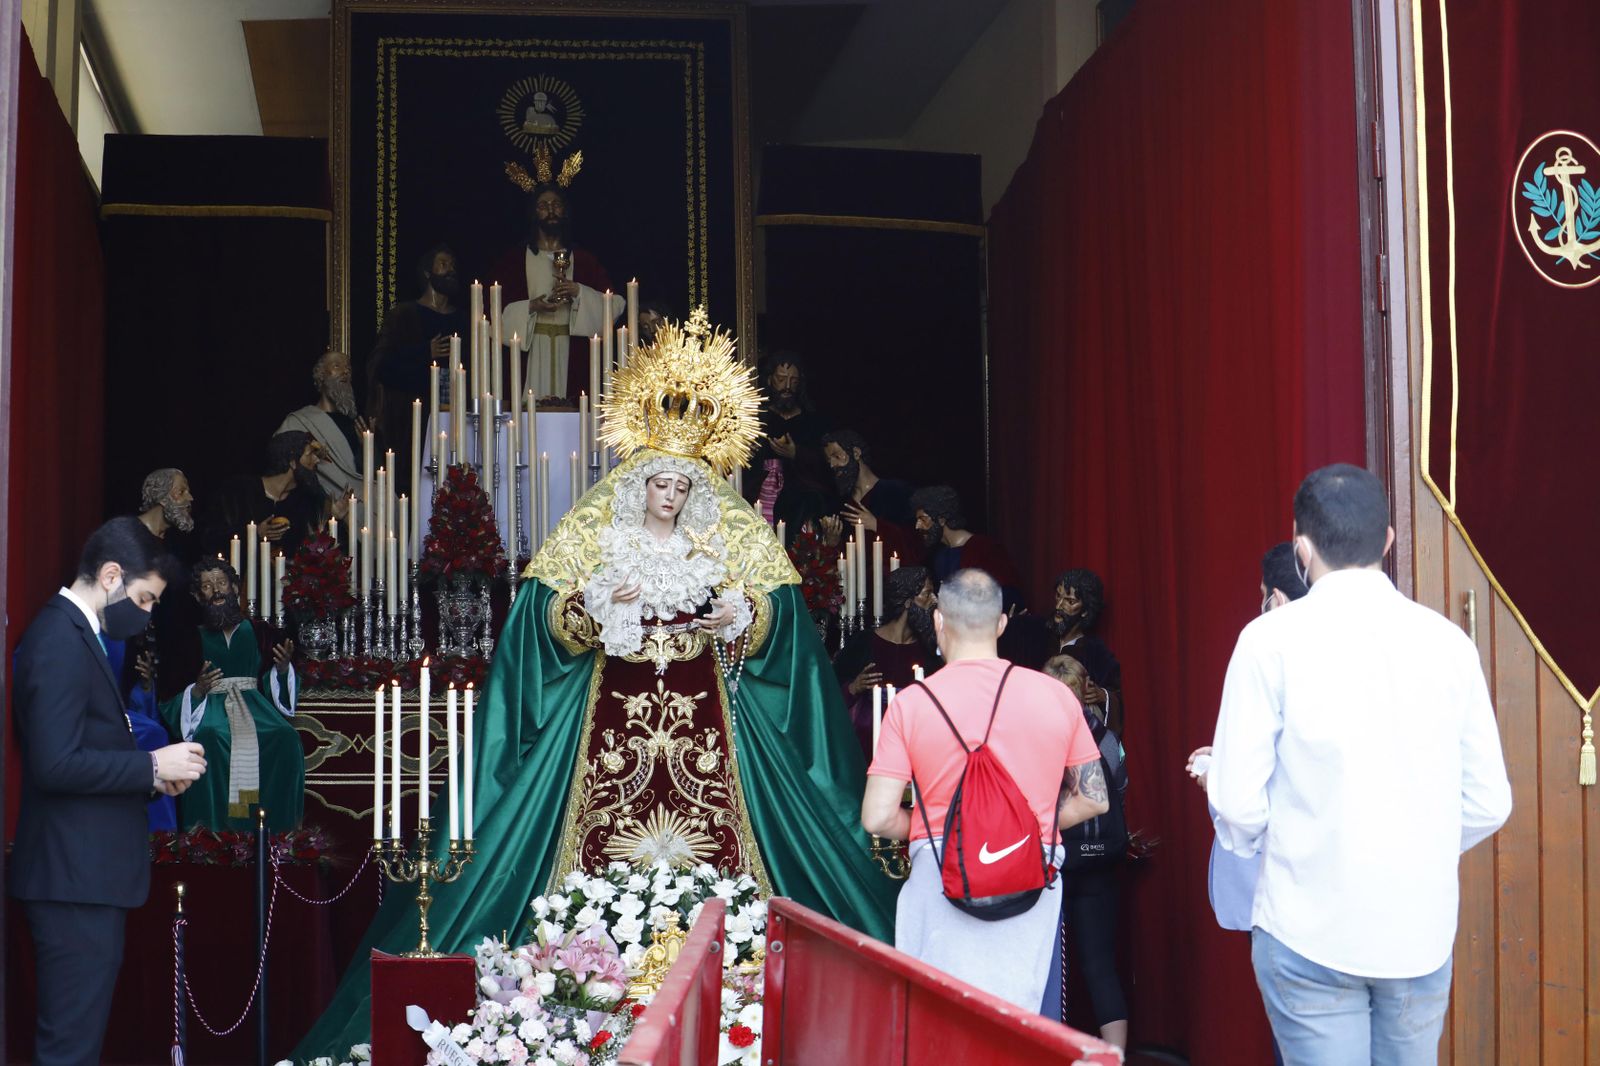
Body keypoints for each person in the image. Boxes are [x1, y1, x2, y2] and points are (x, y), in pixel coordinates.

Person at [294, 307, 897, 1059]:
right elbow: (539, 618)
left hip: (712, 718)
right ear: (642, 479)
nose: (672, 494)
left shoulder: (732, 529)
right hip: (606, 714)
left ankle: (732, 967)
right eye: (662, 482)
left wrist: (740, 622)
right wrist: (589, 611)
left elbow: (781, 619)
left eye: (684, 483)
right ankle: (571, 978)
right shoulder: (593, 528)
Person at [1205, 464, 1512, 1065]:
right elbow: (1489, 802)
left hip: (1306, 927)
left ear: (1301, 548)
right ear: (1388, 541)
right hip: (1416, 930)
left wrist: (1266, 851)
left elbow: (1237, 802)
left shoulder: (1269, 641)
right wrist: (1415, 849)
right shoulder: (1449, 644)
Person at [8, 517, 207, 1065]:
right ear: (111, 575)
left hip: (85, 879)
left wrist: (151, 780)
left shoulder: (81, 638)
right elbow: (54, 764)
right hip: (73, 883)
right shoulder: (57, 639)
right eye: (144, 600)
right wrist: (147, 766)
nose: (145, 616)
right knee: (69, 1050)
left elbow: (82, 750)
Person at [861, 568, 1107, 1010]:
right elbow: (1094, 798)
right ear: (1000, 624)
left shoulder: (912, 704)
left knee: (939, 1022)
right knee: (1028, 1025)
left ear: (938, 621)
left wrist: (941, 826)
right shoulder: (1056, 696)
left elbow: (877, 817)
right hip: (1033, 874)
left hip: (940, 872)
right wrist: (1027, 827)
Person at [1185, 541, 1307, 1066]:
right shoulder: (1413, 640)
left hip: (1293, 897)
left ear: (1276, 599)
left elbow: (1241, 807)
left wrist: (1219, 777)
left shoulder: (1265, 644)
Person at [159, 558, 303, 833]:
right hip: (211, 705)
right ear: (197, 595)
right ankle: (211, 832)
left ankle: (276, 831)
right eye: (207, 586)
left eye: (222, 583)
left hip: (254, 705)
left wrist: (283, 669)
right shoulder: (188, 638)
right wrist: (199, 689)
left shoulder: (262, 632)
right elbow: (170, 690)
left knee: (286, 737)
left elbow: (275, 679)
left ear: (236, 588)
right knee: (209, 737)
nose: (216, 591)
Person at [1041, 653, 1129, 1048]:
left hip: (1052, 863)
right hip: (1100, 863)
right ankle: (1117, 1057)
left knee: (1042, 964)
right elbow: (1122, 789)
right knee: (1100, 968)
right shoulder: (1108, 741)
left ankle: (1042, 1050)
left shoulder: (1039, 742)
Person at [497, 179, 621, 400]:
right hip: (532, 349)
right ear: (534, 214)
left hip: (571, 350)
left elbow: (616, 304)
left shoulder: (583, 260)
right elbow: (492, 311)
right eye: (543, 206)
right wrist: (531, 306)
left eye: (556, 204)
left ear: (565, 211)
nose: (551, 210)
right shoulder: (515, 260)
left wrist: (579, 292)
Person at [370, 244, 467, 462]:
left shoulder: (462, 319)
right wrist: (425, 351)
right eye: (443, 264)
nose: (450, 269)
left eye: (452, 265)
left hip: (454, 413)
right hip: (411, 419)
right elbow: (381, 365)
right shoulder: (403, 315)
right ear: (427, 272)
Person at [832, 565, 939, 757]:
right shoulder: (864, 643)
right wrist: (854, 687)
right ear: (907, 602)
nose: (934, 600)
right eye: (927, 594)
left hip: (913, 745)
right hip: (864, 746)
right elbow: (828, 694)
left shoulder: (930, 650)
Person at [200, 430, 327, 560]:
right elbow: (211, 538)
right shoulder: (237, 491)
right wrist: (255, 533)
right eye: (310, 454)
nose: (316, 460)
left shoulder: (308, 499)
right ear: (292, 461)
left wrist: (332, 514)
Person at [745, 350, 830, 531]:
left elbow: (825, 463)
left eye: (793, 381)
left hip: (798, 497)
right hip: (759, 494)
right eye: (781, 379)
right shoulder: (757, 417)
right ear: (770, 380)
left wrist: (796, 453)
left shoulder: (811, 421)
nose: (787, 387)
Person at [906, 485, 1026, 610]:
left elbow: (1008, 594)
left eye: (923, 519)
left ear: (941, 519)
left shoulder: (983, 548)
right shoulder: (940, 556)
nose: (917, 526)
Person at [279, 349, 369, 505]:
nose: (345, 371)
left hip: (359, 502)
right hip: (320, 505)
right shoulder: (301, 421)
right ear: (321, 376)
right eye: (337, 366)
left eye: (348, 368)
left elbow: (366, 475)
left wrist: (367, 448)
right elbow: (280, 459)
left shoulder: (355, 424)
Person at [1050, 569, 1124, 735]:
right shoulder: (1036, 636)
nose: (1058, 606)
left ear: (1084, 611)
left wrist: (1103, 696)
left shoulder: (1096, 653)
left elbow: (1116, 697)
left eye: (1069, 601)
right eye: (1058, 596)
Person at [820, 428, 915, 534]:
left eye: (836, 456)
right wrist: (833, 542)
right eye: (829, 461)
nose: (832, 465)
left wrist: (876, 525)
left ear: (856, 453)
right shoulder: (841, 505)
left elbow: (913, 539)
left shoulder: (897, 492)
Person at [137, 467, 194, 541]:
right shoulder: (125, 532)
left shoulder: (171, 543)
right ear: (161, 497)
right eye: (181, 492)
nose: (190, 498)